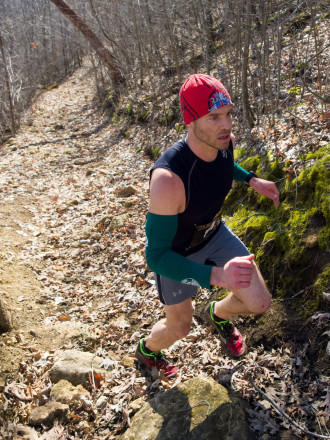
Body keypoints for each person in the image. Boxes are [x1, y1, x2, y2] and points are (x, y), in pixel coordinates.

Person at [135, 74, 280, 379]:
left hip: (213, 235)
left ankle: (217, 314)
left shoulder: (223, 143)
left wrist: (251, 179)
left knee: (260, 302)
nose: (225, 124)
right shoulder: (168, 180)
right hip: (177, 254)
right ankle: (147, 351)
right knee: (180, 327)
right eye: (214, 117)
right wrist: (217, 277)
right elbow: (156, 257)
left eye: (228, 114)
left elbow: (223, 167)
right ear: (190, 121)